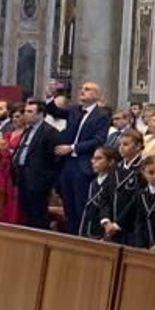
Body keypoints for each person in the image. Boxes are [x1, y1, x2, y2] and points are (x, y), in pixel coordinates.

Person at [47, 82, 111, 237]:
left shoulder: (101, 115)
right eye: (81, 89)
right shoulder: (74, 110)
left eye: (87, 89)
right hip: (67, 163)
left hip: (83, 164)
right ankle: (70, 236)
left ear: (97, 95)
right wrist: (51, 96)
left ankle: (82, 237)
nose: (82, 91)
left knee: (80, 204)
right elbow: (54, 111)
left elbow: (98, 140)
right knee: (68, 204)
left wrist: (73, 148)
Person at [11, 99, 62, 229]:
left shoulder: (50, 132)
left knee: (38, 215)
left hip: (38, 180)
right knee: (27, 213)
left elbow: (56, 159)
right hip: (23, 176)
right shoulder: (28, 130)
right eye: (25, 111)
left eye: (30, 111)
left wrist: (47, 179)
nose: (26, 114)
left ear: (41, 114)